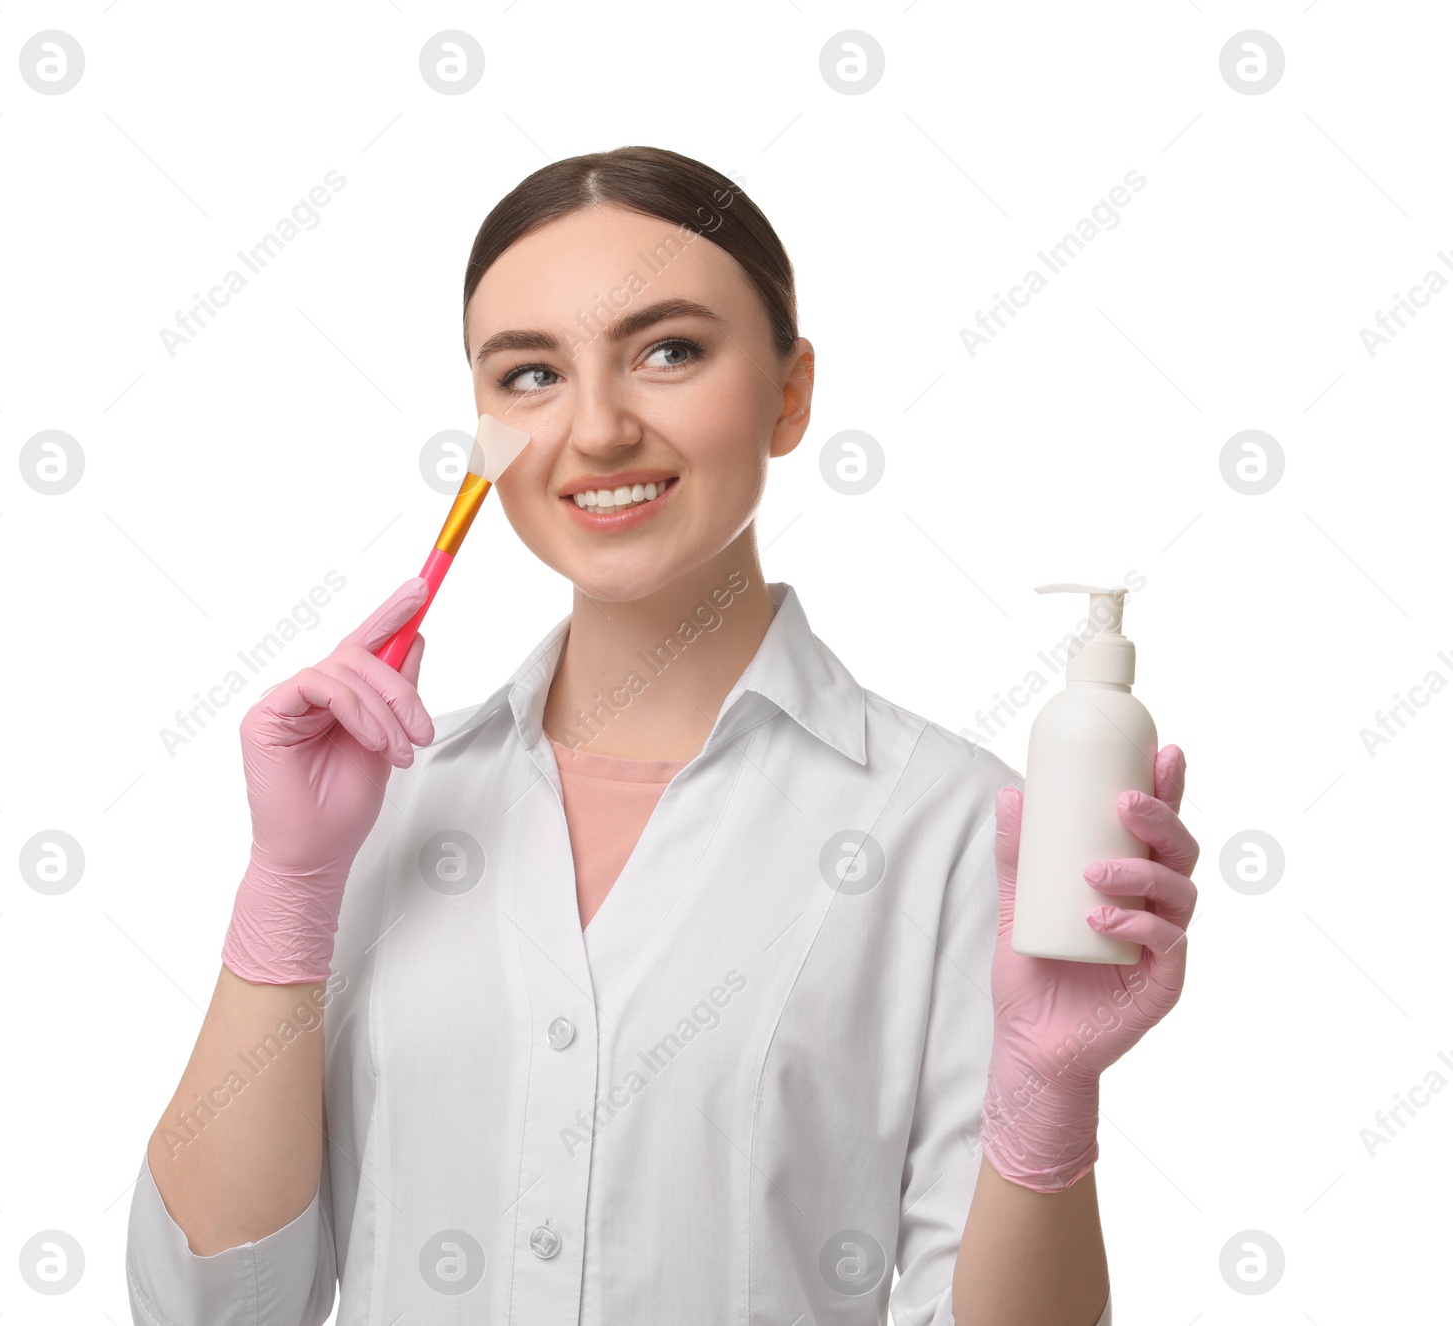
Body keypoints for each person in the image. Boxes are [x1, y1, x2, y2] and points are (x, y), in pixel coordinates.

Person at [125, 145, 1198, 1325]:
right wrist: (288, 888)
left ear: (790, 393)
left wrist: (1047, 1105)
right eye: (529, 375)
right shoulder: (380, 806)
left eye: (668, 350)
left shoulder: (961, 833)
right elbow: (213, 1309)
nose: (595, 430)